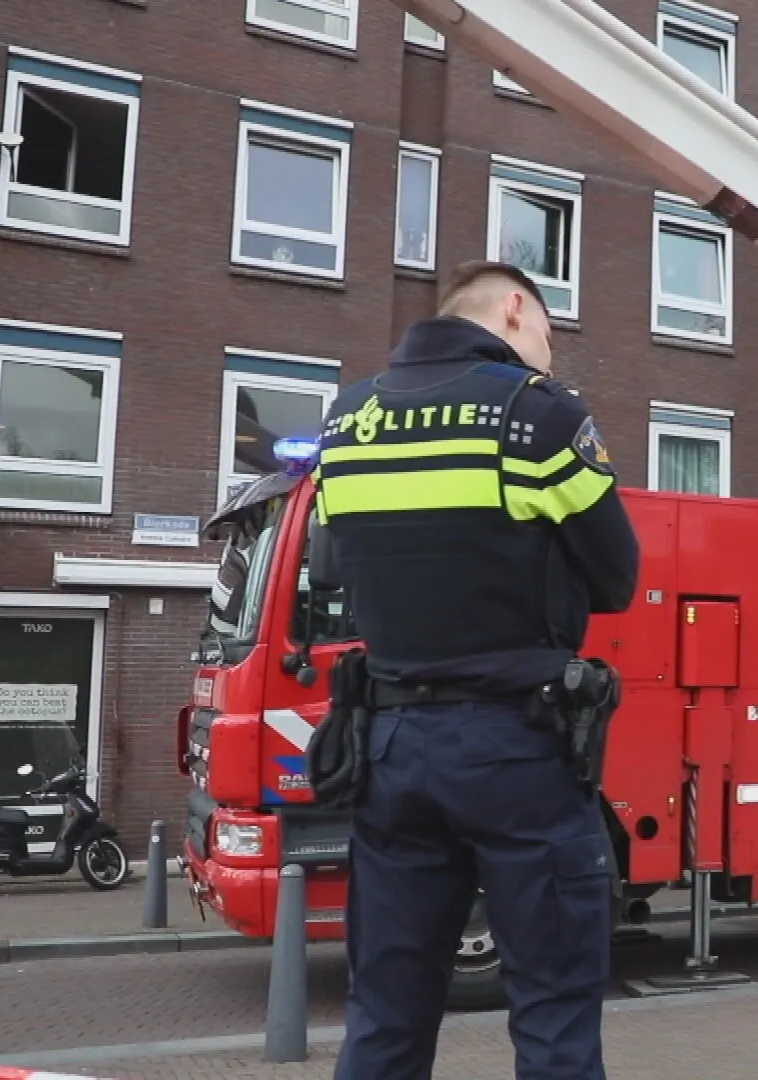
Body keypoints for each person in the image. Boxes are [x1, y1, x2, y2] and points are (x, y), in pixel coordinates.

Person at [314, 261, 641, 1080]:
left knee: (384, 1017)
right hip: (515, 745)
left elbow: (333, 569)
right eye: (549, 336)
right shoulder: (537, 412)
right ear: (515, 308)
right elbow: (617, 579)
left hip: (389, 746)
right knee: (554, 1018)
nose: (549, 355)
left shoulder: (347, 420)